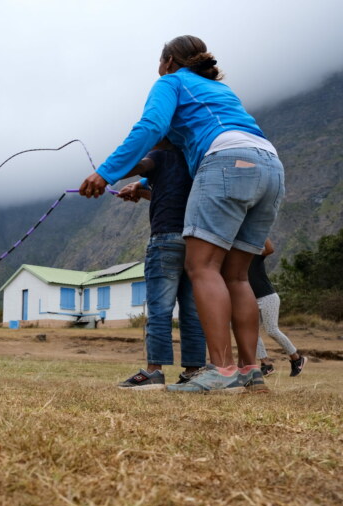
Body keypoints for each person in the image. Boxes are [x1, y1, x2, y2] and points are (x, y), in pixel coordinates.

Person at [79, 35, 284, 393]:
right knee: (237, 276)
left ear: (169, 61)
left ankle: (222, 371)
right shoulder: (221, 92)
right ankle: (251, 372)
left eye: (160, 63)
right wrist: (143, 184)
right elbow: (180, 146)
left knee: (202, 267)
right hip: (270, 165)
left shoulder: (170, 81)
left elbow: (151, 127)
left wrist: (105, 172)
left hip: (225, 162)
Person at [115, 139, 206, 390]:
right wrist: (140, 189)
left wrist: (108, 172)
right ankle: (194, 370)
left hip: (165, 239)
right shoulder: (196, 157)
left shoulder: (159, 156)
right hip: (196, 241)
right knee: (193, 311)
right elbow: (169, 194)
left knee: (159, 310)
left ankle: (154, 371)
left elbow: (133, 165)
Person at [250, 238, 306, 377]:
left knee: (272, 330)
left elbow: (270, 249)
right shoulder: (235, 262)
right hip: (250, 299)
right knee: (251, 333)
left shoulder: (253, 255)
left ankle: (297, 359)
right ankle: (266, 364)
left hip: (268, 297)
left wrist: (261, 229)